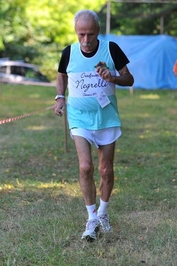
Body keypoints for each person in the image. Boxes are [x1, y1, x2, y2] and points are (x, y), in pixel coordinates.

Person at [53, 10, 134, 241]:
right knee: (85, 167)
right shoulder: (68, 52)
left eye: (90, 34)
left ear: (98, 31)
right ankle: (91, 218)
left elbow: (130, 78)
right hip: (79, 118)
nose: (86, 40)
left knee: (106, 171)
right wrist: (60, 97)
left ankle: (103, 213)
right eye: (81, 35)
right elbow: (61, 75)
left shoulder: (111, 49)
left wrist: (113, 77)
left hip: (106, 118)